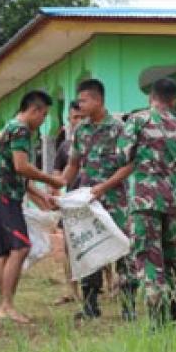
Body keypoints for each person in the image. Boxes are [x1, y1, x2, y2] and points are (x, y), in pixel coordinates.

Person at [94, 77, 176, 329]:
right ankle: (172, 313)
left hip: (144, 202)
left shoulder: (137, 121)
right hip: (173, 203)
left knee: (150, 259)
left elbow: (122, 157)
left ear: (151, 97)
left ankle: (156, 321)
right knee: (172, 258)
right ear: (174, 100)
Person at [0, 90, 65, 324]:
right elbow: (21, 167)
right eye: (43, 115)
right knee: (20, 249)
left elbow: (18, 174)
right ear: (34, 110)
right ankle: (7, 305)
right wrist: (51, 180)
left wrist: (41, 197)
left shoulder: (12, 127)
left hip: (1, 195)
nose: (43, 121)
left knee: (4, 253)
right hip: (5, 197)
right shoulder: (20, 129)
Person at [61, 79, 137, 321]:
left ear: (98, 100)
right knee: (89, 249)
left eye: (83, 100)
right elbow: (73, 165)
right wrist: (58, 189)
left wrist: (104, 187)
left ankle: (128, 307)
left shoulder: (118, 128)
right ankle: (91, 305)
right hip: (88, 202)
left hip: (115, 200)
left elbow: (129, 165)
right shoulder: (80, 130)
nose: (79, 104)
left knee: (123, 250)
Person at [51, 100, 85, 306]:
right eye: (75, 118)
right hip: (71, 204)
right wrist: (54, 193)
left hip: (95, 201)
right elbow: (56, 175)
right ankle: (72, 290)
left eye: (83, 117)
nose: (79, 121)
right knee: (69, 248)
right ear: (69, 120)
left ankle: (109, 286)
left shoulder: (96, 142)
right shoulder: (64, 147)